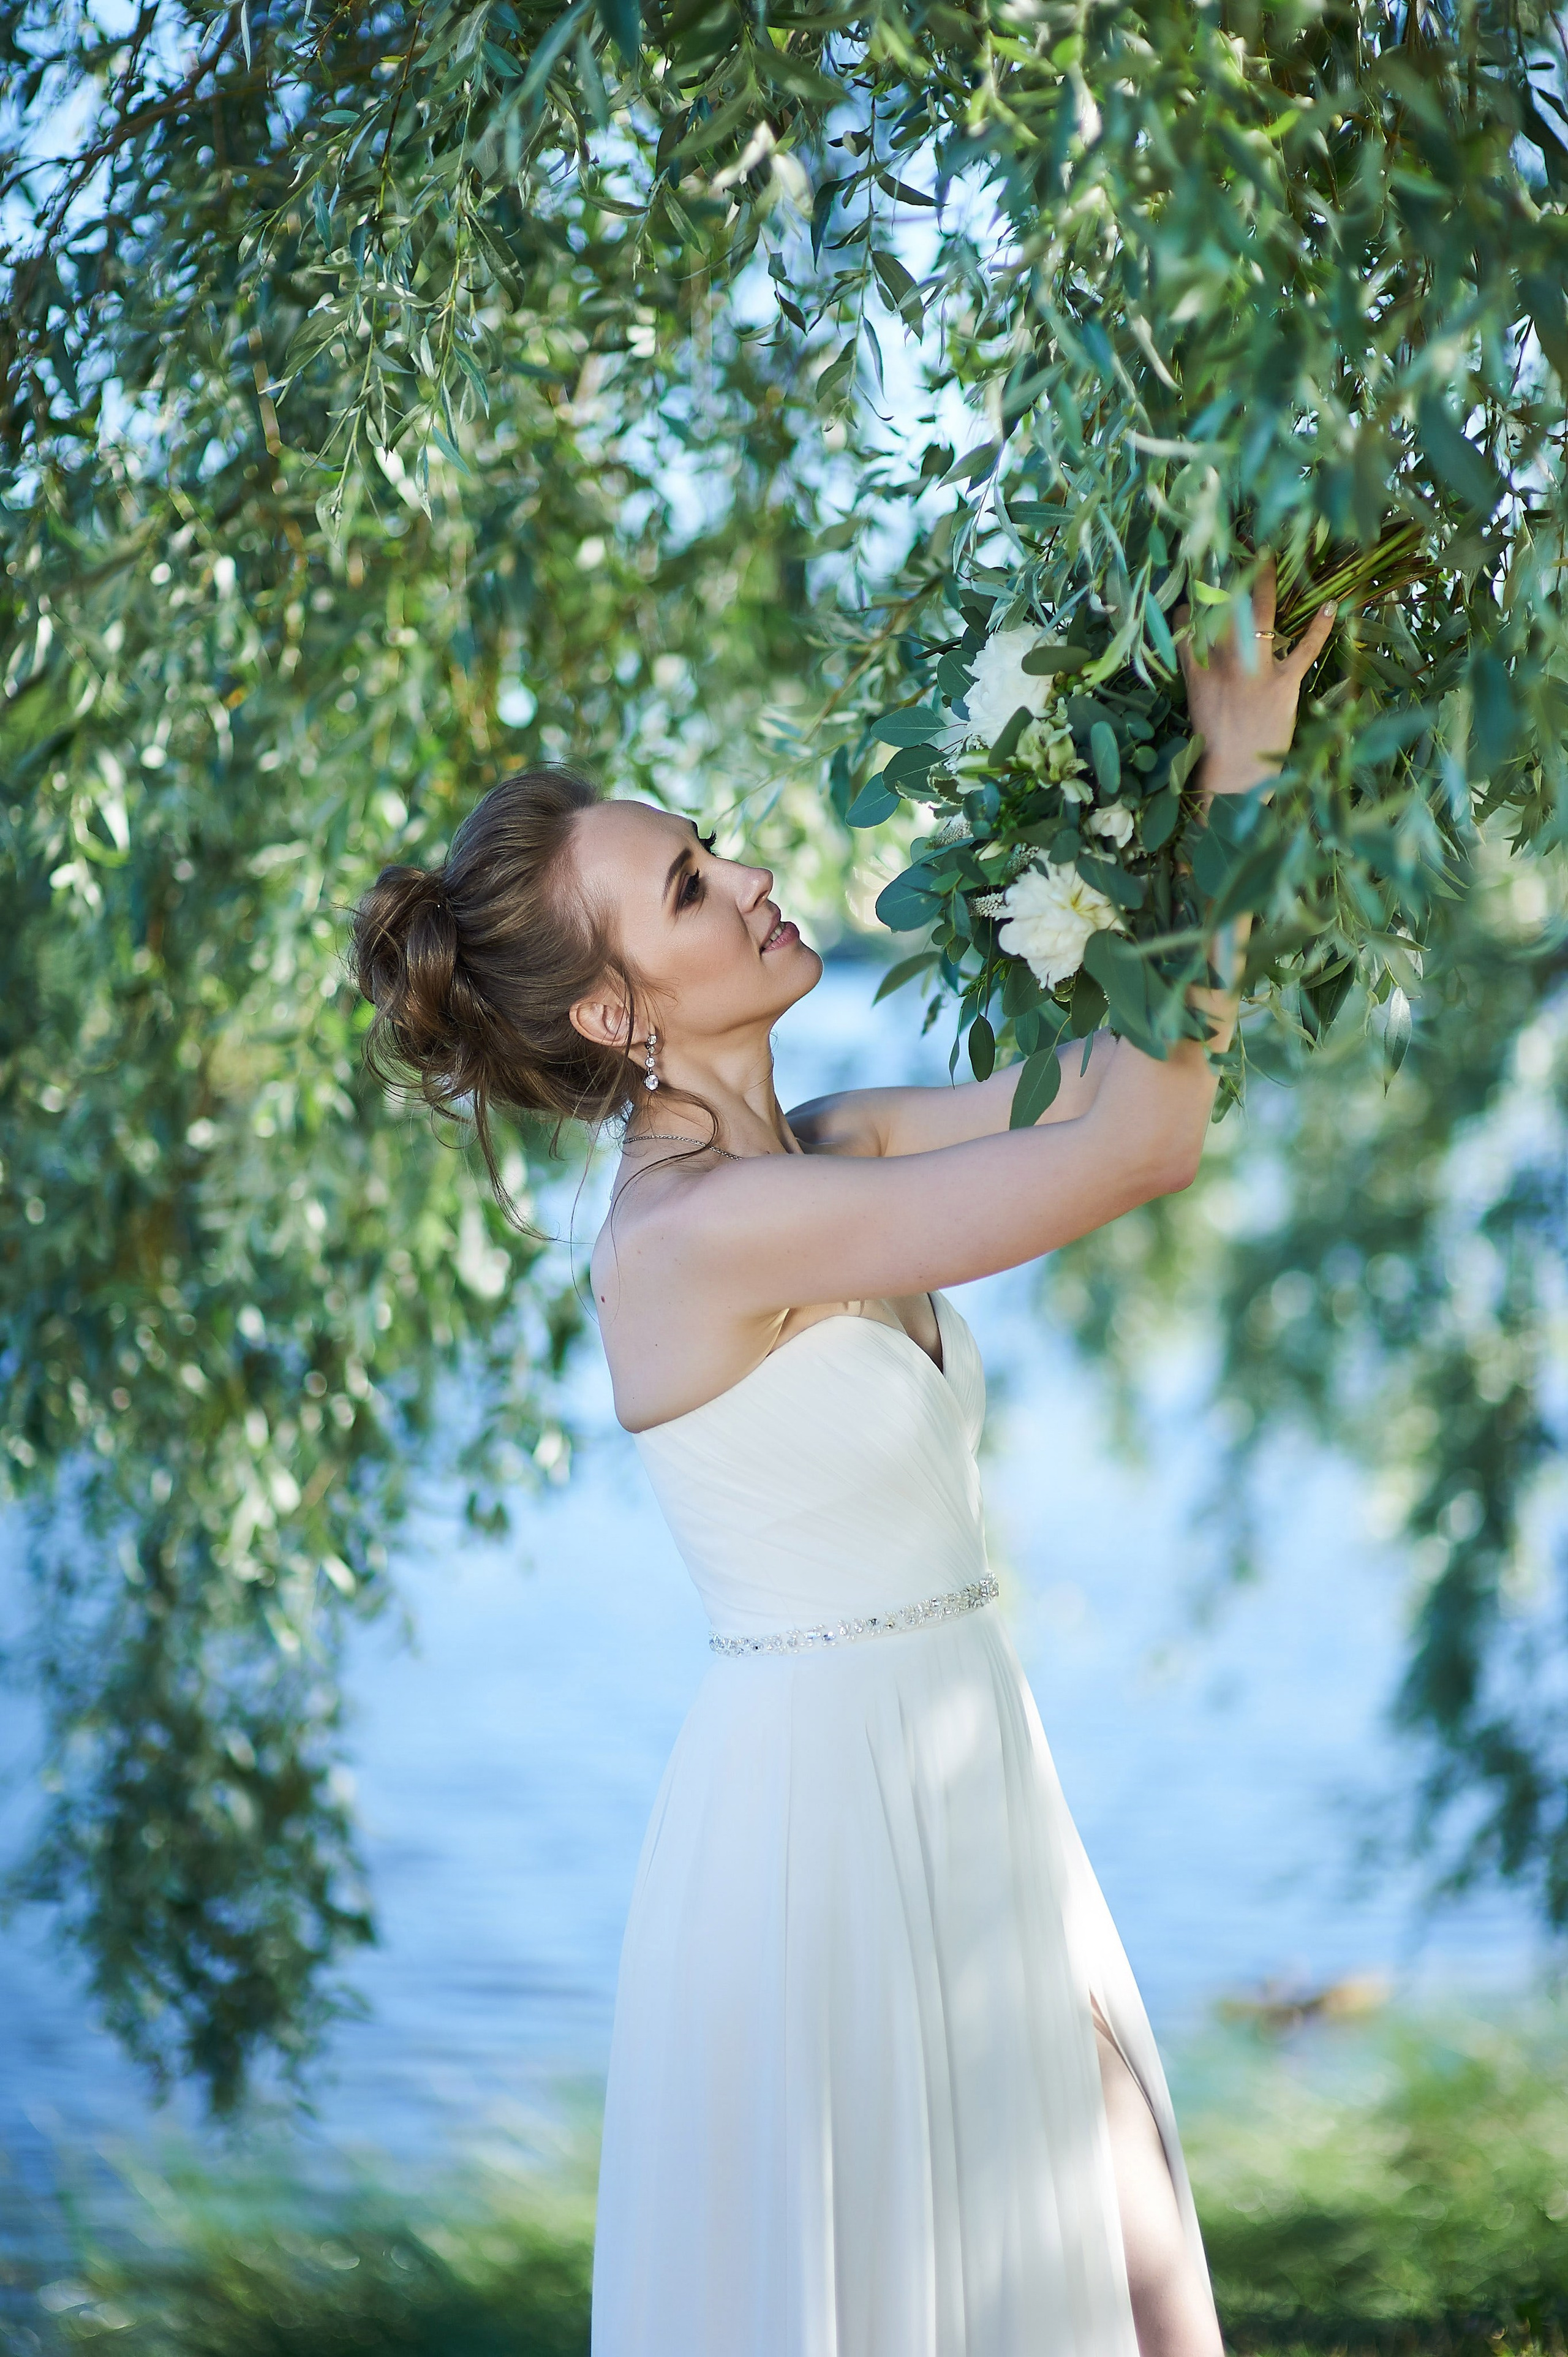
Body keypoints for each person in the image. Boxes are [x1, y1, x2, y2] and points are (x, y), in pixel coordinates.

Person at [353, 565, 1336, 2357]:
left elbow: (1137, 1073)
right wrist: (1236, 768)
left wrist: (1183, 796)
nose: (748, 876)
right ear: (614, 1016)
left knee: (1145, 2305)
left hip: (974, 1770)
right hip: (822, 1835)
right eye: (689, 888)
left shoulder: (841, 1143)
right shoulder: (689, 1242)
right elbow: (1142, 1146)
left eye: (711, 848)